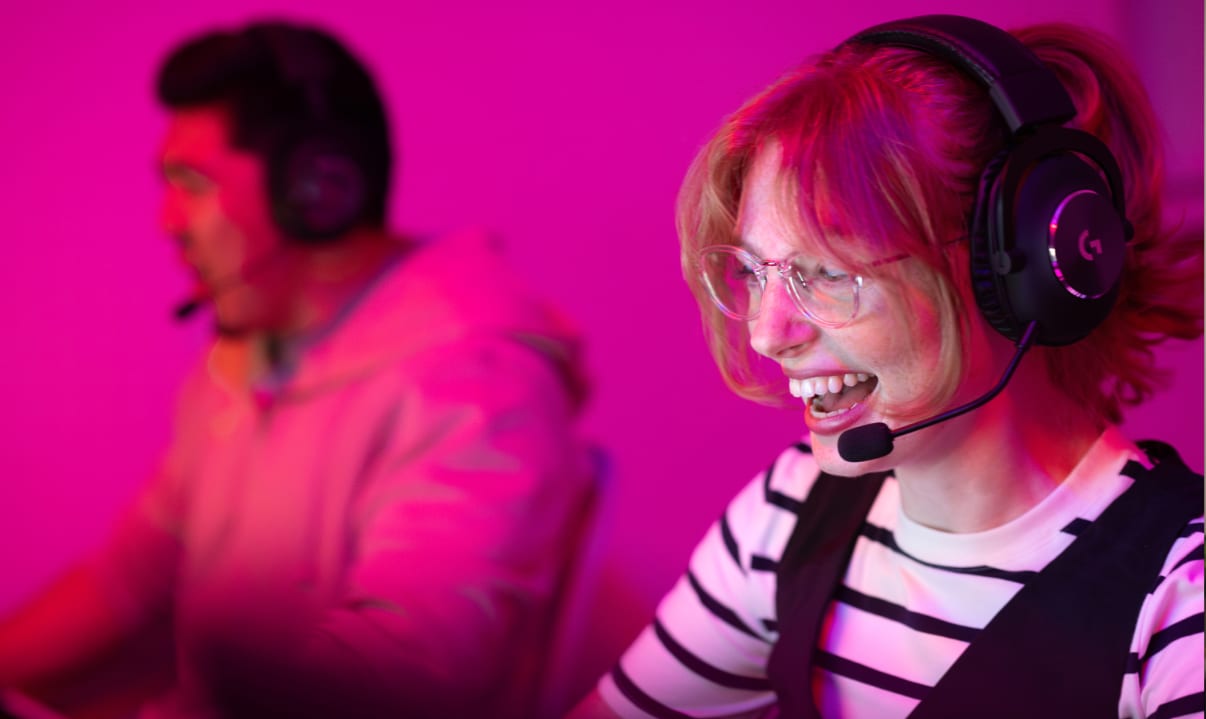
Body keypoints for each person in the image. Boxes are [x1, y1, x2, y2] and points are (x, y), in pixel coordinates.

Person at [569, 14, 1203, 719]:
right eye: (755, 270)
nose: (768, 333)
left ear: (1015, 271)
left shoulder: (1181, 596)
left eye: (830, 272)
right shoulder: (791, 513)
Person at [0, 19, 597, 719]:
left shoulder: (477, 377)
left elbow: (399, 668)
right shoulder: (244, 363)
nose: (168, 220)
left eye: (191, 182)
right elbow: (128, 583)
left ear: (318, 189)